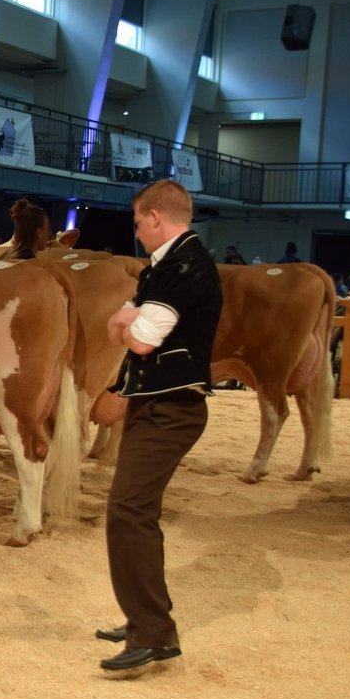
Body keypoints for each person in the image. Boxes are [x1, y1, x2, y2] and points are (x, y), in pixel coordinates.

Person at [98, 179, 222, 672]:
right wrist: (125, 322)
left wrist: (123, 321)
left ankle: (153, 632)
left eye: (137, 222)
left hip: (172, 408)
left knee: (128, 511)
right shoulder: (168, 265)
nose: (136, 231)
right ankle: (142, 618)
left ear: (154, 217)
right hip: (155, 404)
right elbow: (130, 327)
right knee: (135, 511)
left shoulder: (183, 265)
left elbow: (142, 339)